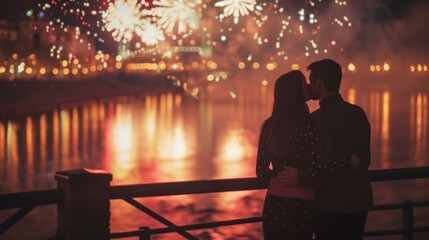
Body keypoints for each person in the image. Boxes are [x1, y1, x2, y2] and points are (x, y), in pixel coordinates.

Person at [282, 59, 374, 240]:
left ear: (318, 83)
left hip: (329, 204)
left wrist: (299, 176)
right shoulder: (358, 113)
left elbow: (317, 168)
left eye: (311, 80)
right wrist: (351, 163)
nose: (309, 85)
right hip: (359, 202)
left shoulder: (314, 121)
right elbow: (365, 159)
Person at [256, 70, 352, 240]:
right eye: (304, 83)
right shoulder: (308, 126)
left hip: (273, 205)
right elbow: (319, 170)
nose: (308, 85)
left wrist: (278, 176)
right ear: (296, 92)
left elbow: (261, 171)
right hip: (300, 206)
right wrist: (348, 163)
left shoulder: (269, 126)